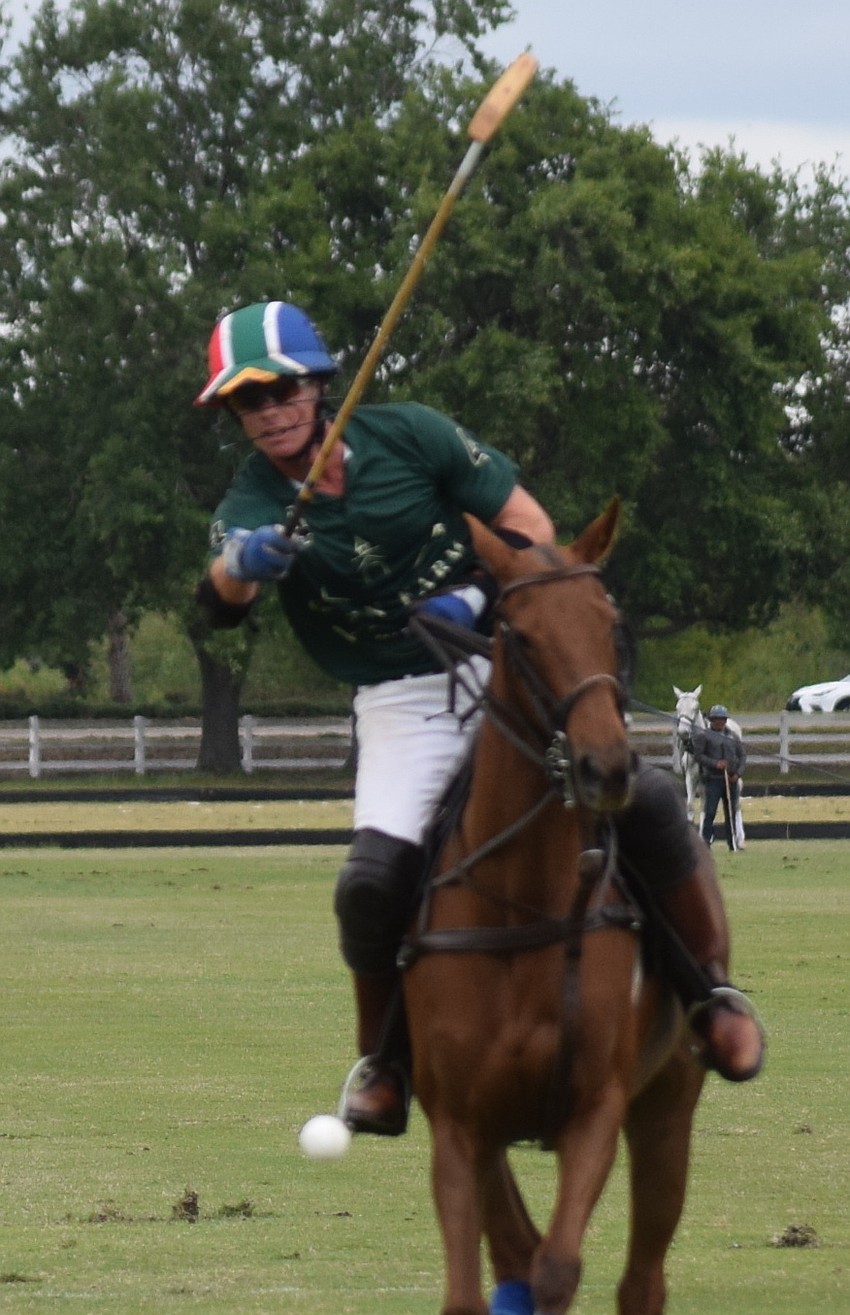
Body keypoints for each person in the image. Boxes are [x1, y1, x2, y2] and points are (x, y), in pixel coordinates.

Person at [194, 300, 765, 1135]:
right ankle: (385, 1063)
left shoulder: (412, 436)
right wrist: (243, 562)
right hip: (402, 698)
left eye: (283, 390)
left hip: (506, 659)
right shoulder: (253, 499)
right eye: (249, 402)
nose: (271, 411)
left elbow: (531, 527)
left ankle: (710, 993)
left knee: (640, 798)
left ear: (321, 386)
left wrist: (477, 593)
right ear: (235, 417)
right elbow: (218, 599)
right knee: (371, 882)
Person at [692, 705, 747, 850]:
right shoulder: (704, 736)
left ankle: (733, 842)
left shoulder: (733, 736)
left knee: (731, 813)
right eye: (716, 719)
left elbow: (742, 756)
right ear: (711, 720)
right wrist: (715, 764)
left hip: (731, 780)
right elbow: (698, 756)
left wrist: (737, 774)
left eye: (722, 719)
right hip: (713, 780)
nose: (719, 722)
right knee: (710, 811)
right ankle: (706, 842)